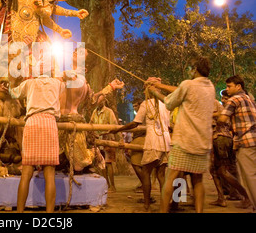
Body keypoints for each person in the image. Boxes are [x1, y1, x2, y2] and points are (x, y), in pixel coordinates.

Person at [148, 56, 216, 213]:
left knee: (170, 179)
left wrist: (154, 91)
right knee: (198, 180)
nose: (188, 71)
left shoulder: (188, 85)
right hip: (203, 142)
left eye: (189, 68)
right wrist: (160, 85)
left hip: (185, 141)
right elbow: (180, 90)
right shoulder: (210, 87)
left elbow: (169, 102)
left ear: (195, 70)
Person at [9, 63, 70, 213]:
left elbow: (13, 94)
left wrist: (8, 87)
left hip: (32, 123)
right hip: (49, 123)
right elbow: (67, 81)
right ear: (51, 72)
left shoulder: (29, 83)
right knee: (49, 174)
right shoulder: (57, 83)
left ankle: (19, 213)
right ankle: (49, 214)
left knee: (26, 172)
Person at [114, 81, 171, 212]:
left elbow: (135, 123)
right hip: (165, 142)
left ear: (150, 90)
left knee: (146, 173)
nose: (144, 91)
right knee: (161, 175)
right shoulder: (165, 104)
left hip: (153, 141)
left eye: (145, 89)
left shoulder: (146, 104)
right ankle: (165, 205)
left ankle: (146, 205)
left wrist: (118, 130)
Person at [218, 75, 256, 211]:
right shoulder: (249, 99)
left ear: (238, 86)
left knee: (249, 177)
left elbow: (222, 119)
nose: (227, 89)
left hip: (245, 141)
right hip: (254, 138)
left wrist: (214, 117)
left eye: (229, 86)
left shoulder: (234, 99)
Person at [209, 89, 251, 208]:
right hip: (219, 139)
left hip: (221, 138)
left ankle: (245, 195)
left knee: (223, 170)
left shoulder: (222, 105)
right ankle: (223, 197)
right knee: (216, 170)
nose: (223, 99)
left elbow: (222, 116)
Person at [90, 94, 120, 192]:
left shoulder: (109, 112)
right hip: (98, 140)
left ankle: (113, 186)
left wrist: (104, 132)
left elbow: (114, 126)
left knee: (108, 163)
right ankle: (106, 184)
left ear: (104, 101)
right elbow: (91, 124)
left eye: (100, 101)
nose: (98, 103)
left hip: (108, 139)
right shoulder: (95, 112)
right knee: (101, 163)